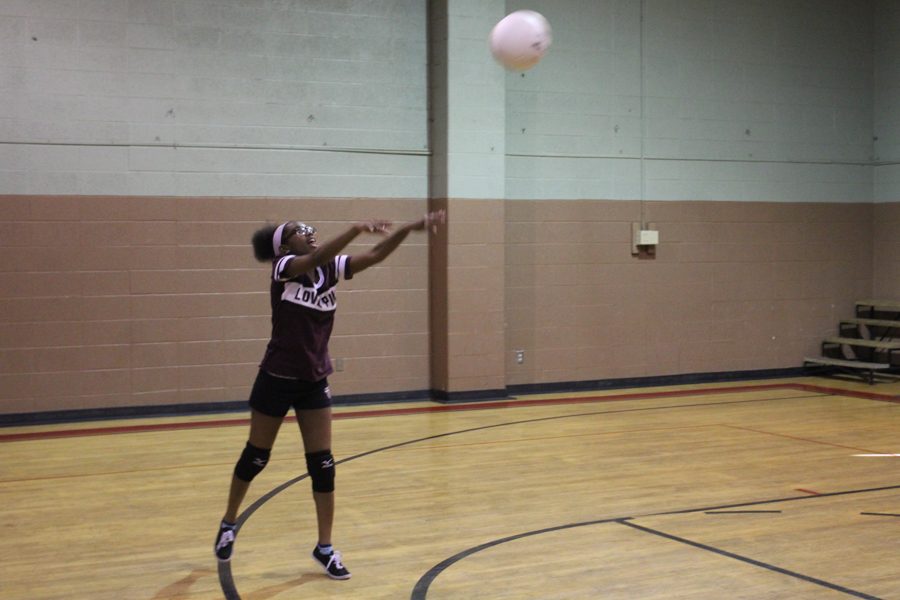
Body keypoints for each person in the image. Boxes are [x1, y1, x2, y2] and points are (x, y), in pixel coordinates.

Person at [214, 209, 445, 580]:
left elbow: (376, 255)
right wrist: (355, 227)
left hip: (313, 379)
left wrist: (408, 229)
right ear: (284, 245)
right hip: (276, 377)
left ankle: (324, 547)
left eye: (307, 227)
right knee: (256, 457)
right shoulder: (284, 267)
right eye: (296, 230)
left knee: (323, 465)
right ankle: (228, 523)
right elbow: (317, 257)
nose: (307, 230)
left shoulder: (330, 269)